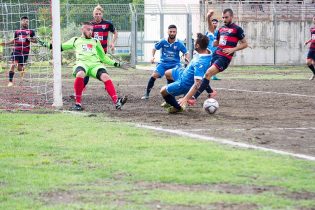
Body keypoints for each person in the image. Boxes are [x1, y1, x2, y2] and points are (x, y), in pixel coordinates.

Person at [41, 22, 127, 111]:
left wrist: (117, 64)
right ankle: (78, 104)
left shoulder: (95, 41)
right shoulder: (75, 40)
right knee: (81, 73)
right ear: (82, 30)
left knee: (105, 76)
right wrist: (43, 43)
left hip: (95, 65)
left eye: (92, 30)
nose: (91, 32)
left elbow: (103, 57)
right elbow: (59, 47)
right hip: (82, 64)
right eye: (88, 29)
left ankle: (117, 102)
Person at [179, 8, 248, 107]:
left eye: (226, 17)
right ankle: (205, 93)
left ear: (232, 17)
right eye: (223, 17)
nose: (224, 19)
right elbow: (214, 38)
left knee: (208, 73)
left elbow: (245, 44)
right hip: (215, 55)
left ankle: (193, 98)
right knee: (202, 74)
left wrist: (233, 49)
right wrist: (208, 40)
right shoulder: (221, 29)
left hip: (224, 58)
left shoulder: (237, 29)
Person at [160, 33, 212, 113]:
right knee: (167, 73)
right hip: (183, 72)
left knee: (163, 91)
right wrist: (190, 63)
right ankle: (170, 98)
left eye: (195, 42)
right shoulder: (206, 52)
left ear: (197, 46)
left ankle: (177, 107)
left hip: (184, 83)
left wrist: (185, 99)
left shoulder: (200, 63)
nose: (193, 44)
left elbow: (197, 84)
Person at [74, 4, 119, 93]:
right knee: (86, 72)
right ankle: (80, 90)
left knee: (101, 70)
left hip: (102, 52)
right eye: (96, 14)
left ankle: (108, 85)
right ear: (93, 15)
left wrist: (112, 43)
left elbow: (115, 33)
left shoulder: (107, 24)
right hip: (91, 52)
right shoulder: (90, 25)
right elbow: (83, 35)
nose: (97, 15)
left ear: (102, 14)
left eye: (99, 14)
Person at [141, 25, 190, 100]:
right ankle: (147, 94)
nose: (172, 33)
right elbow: (154, 48)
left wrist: (186, 58)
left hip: (175, 64)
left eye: (174, 32)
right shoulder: (163, 41)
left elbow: (186, 52)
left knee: (182, 77)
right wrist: (152, 56)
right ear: (168, 32)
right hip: (163, 63)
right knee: (154, 75)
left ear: (176, 32)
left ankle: (186, 95)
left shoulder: (179, 43)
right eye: (171, 31)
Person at [0, 16, 37, 87]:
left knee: (20, 68)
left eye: (27, 21)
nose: (25, 23)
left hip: (25, 52)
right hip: (16, 50)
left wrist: (30, 39)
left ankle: (22, 69)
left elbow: (35, 41)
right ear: (21, 22)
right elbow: (14, 40)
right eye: (24, 21)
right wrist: (6, 43)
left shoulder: (31, 32)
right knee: (13, 64)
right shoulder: (17, 32)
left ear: (28, 23)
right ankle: (10, 82)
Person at [304, 16, 315, 81]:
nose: (314, 20)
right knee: (308, 62)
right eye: (314, 19)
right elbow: (312, 38)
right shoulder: (312, 28)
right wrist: (307, 42)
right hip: (312, 47)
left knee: (314, 63)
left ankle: (313, 75)